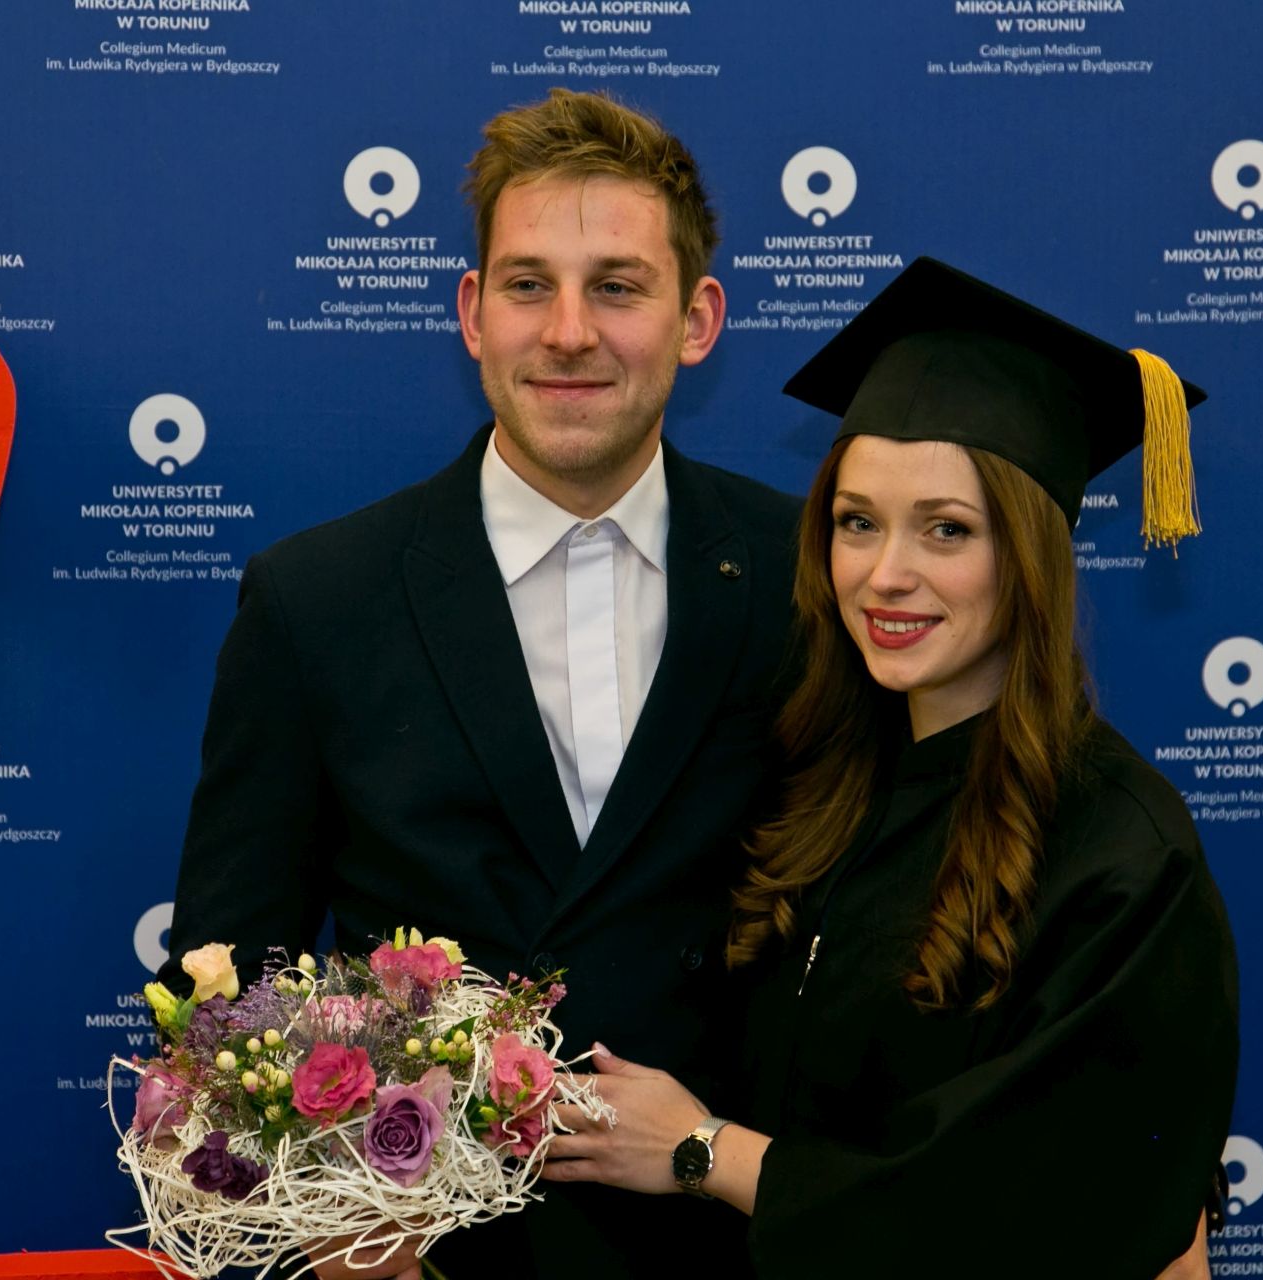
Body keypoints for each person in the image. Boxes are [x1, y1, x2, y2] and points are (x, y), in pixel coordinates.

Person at [157, 89, 800, 1278]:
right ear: (471, 312)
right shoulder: (318, 599)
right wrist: (325, 1220)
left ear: (697, 319)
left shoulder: (808, 577)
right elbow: (222, 985)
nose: (569, 331)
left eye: (618, 286)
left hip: (733, 1248)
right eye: (528, 284)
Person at [545, 258, 1241, 1279]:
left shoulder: (1121, 850)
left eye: (947, 530)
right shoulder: (813, 782)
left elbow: (1038, 1200)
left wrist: (707, 1153)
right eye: (857, 521)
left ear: (1030, 555)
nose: (886, 574)